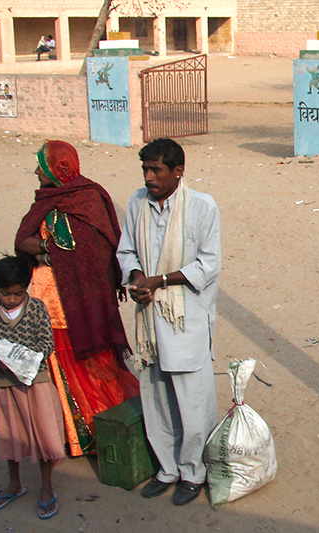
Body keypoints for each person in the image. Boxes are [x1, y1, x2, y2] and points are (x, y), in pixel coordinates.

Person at [15, 140, 139, 457]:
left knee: (94, 366)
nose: (35, 172)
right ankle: (75, 435)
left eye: (41, 166)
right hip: (50, 300)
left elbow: (98, 251)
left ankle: (105, 428)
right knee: (59, 366)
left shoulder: (88, 199)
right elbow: (23, 241)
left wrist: (49, 251)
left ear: (57, 169)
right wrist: (47, 249)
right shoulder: (46, 200)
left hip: (81, 304)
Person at [116, 138, 221, 506]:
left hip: (185, 320)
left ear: (178, 171)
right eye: (145, 168)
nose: (148, 177)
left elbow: (207, 265)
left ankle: (194, 472)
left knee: (193, 401)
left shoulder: (202, 207)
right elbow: (126, 249)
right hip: (149, 321)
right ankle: (167, 469)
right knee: (156, 395)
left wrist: (159, 281)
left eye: (156, 170)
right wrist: (136, 278)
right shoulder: (136, 203)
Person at [0, 255, 65, 520]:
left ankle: (46, 487)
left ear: (27, 288)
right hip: (5, 385)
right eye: (5, 294)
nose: (11, 299)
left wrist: (24, 358)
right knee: (10, 436)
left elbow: (47, 344)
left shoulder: (37, 308)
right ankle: (15, 483)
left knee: (44, 436)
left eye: (17, 294)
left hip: (36, 383)